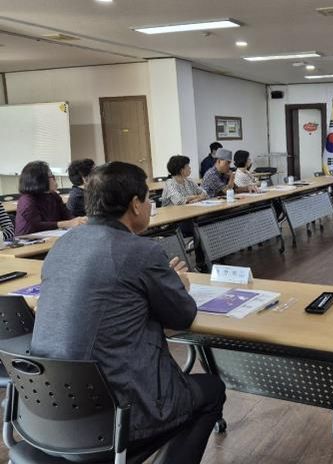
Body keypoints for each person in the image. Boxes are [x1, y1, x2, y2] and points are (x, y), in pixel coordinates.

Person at [30, 162, 226, 463]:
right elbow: (182, 317)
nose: (149, 206)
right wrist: (178, 283)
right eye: (148, 200)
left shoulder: (63, 246)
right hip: (116, 417)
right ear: (135, 204)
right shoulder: (140, 251)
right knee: (212, 390)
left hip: (49, 412)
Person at [15, 161, 87, 236]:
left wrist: (80, 220)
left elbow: (67, 215)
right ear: (40, 180)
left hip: (51, 236)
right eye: (51, 176)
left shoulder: (54, 196)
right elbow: (37, 225)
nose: (54, 179)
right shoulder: (26, 200)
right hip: (27, 239)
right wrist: (66, 223)